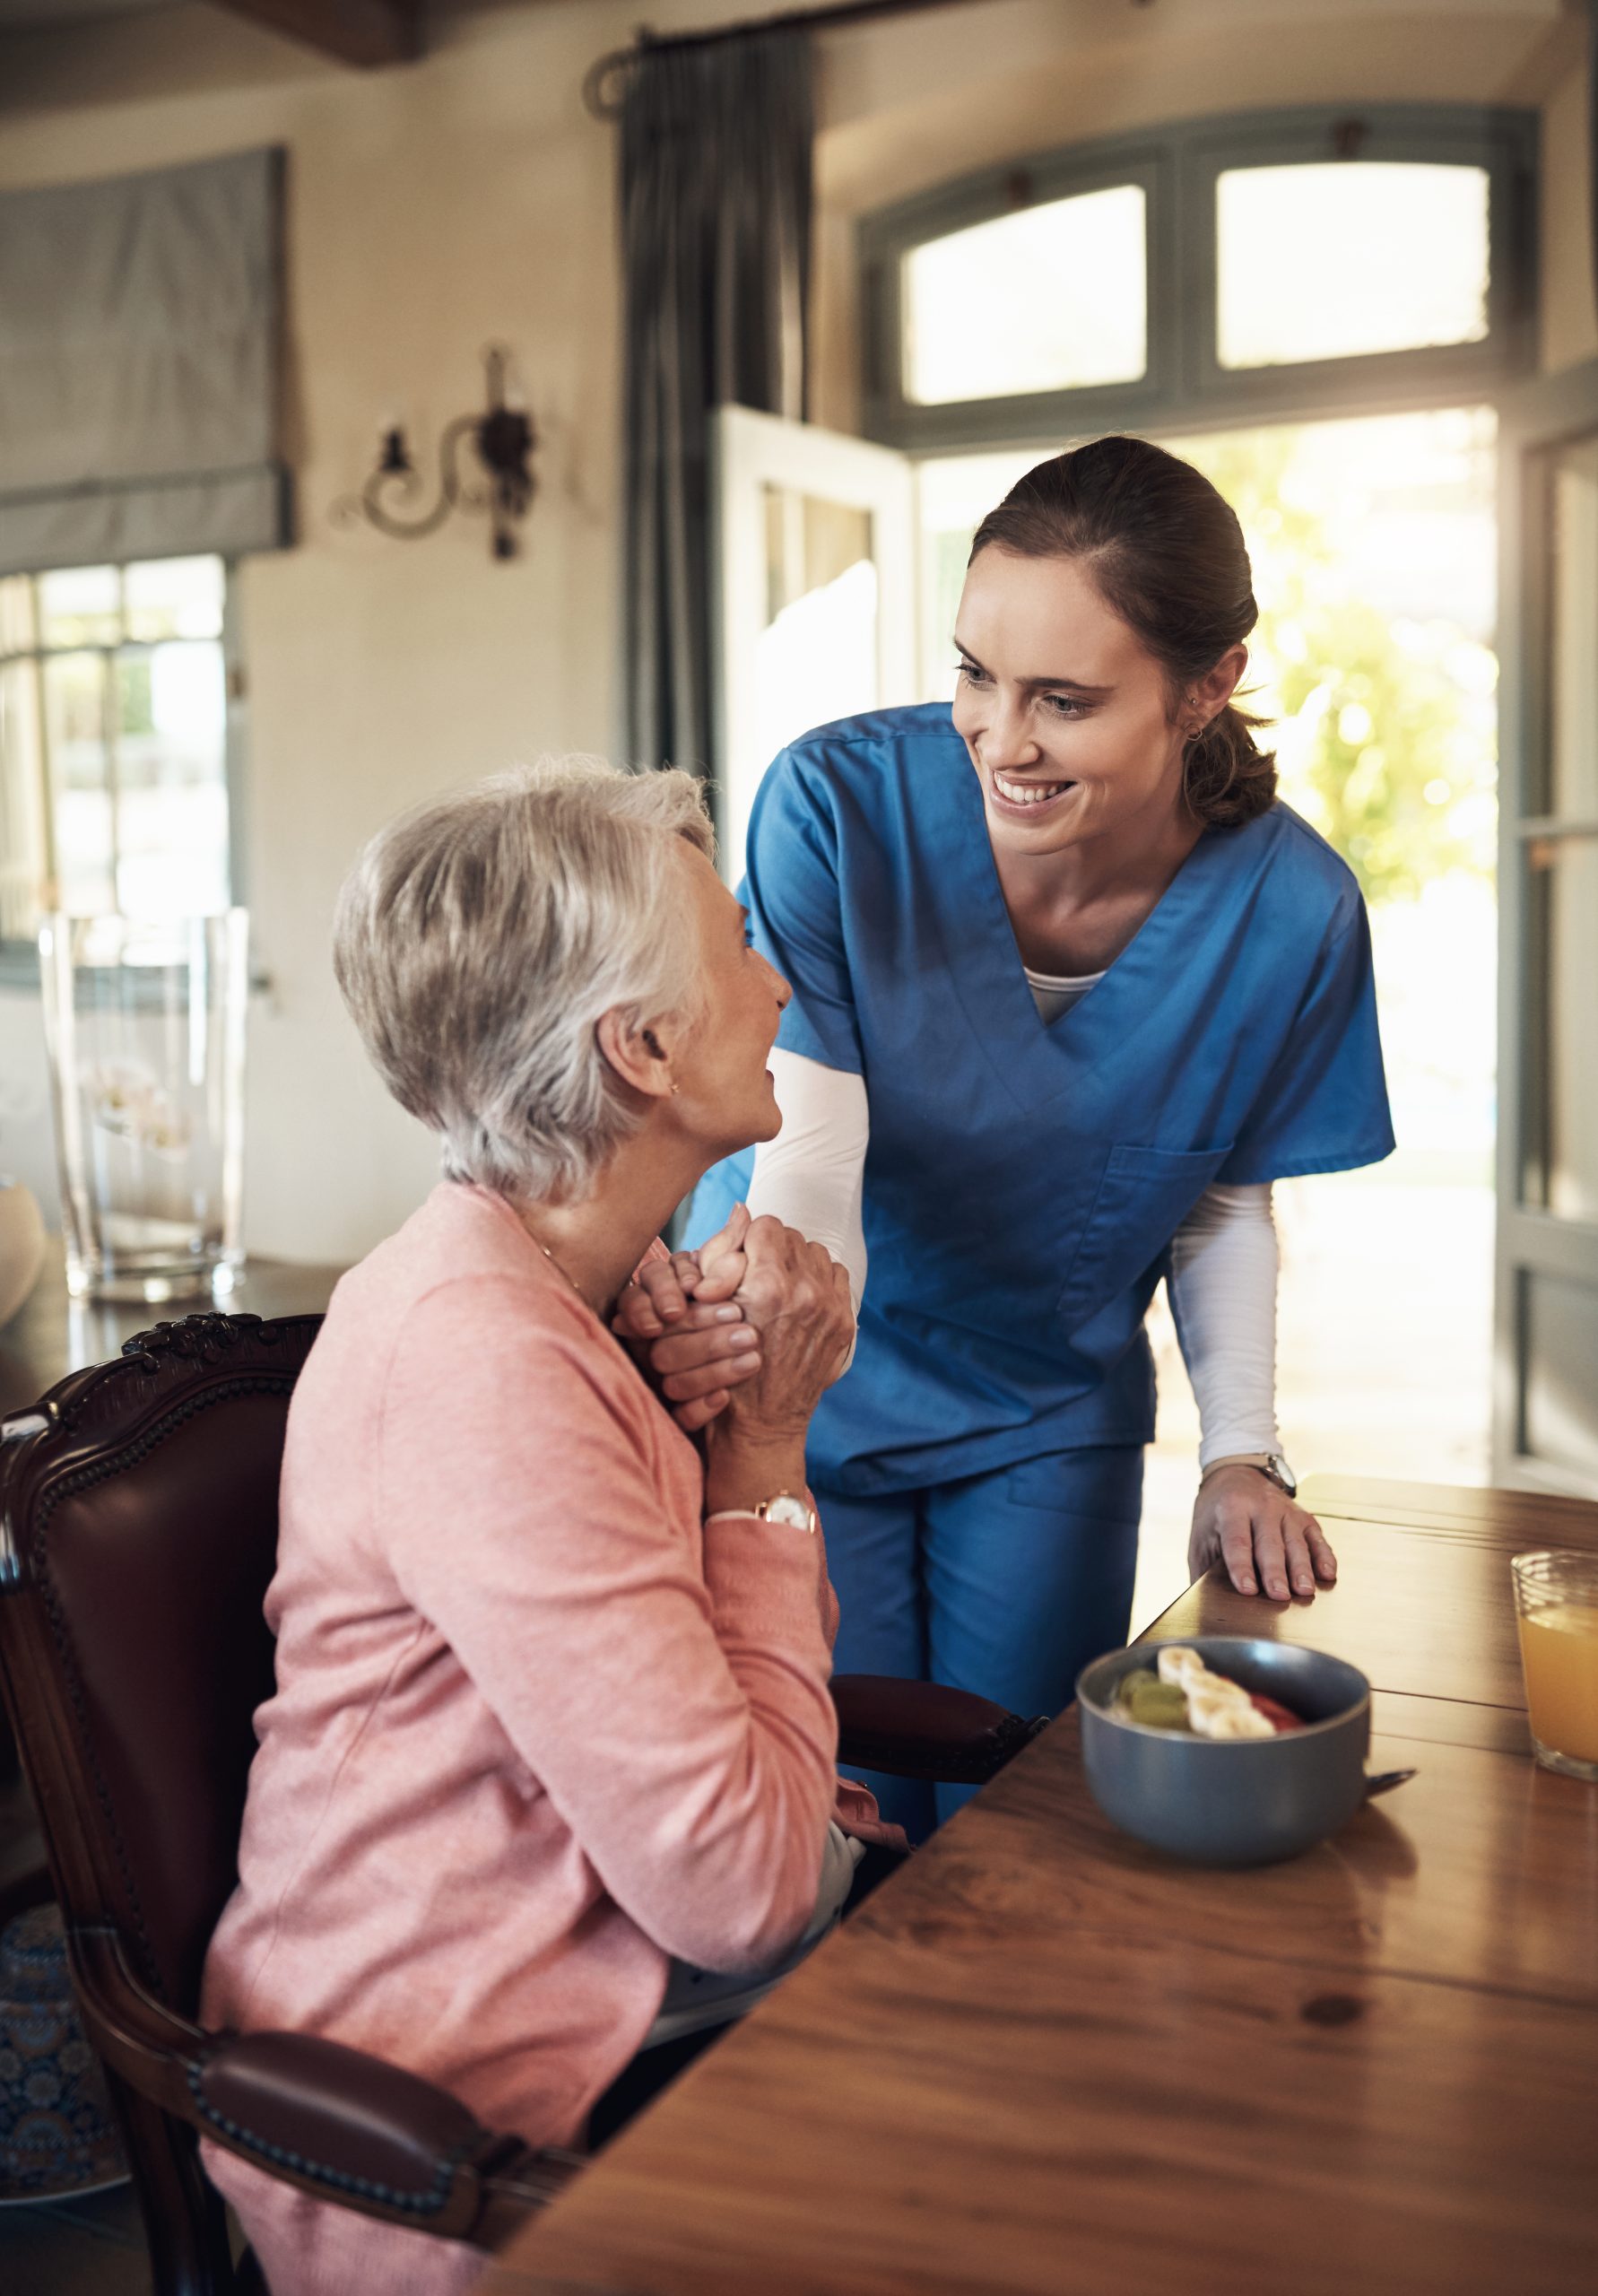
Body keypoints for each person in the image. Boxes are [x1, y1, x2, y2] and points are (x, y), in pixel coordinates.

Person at [623, 436, 1394, 1839]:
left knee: (1016, 1810)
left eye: (1065, 699)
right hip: (785, 1366)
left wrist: (1242, 1451)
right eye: (974, 673)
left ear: (1206, 684)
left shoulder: (1292, 913)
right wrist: (769, 1421)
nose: (999, 737)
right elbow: (809, 1162)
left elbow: (1216, 1201)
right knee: (812, 1807)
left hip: (1042, 1412)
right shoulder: (841, 808)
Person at [200, 759, 885, 2296]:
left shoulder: (569, 1290)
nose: (777, 985)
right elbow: (747, 1891)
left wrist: (701, 1421)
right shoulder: (484, 1357)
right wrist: (762, 1452)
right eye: (735, 951)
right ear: (638, 1049)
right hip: (471, 2122)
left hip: (633, 1994)